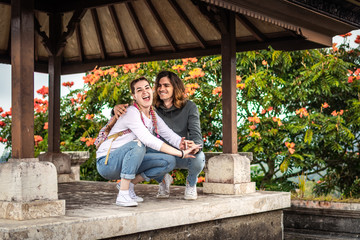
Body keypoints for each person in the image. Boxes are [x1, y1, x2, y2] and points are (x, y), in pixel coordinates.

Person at [96, 77, 200, 207]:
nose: (144, 92)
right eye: (139, 90)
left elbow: (168, 134)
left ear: (152, 90)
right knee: (138, 144)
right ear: (134, 96)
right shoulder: (131, 112)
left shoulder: (152, 114)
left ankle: (129, 186)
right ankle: (122, 195)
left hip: (126, 160)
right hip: (107, 163)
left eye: (147, 87)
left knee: (168, 161)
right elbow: (148, 139)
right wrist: (181, 153)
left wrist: (184, 144)